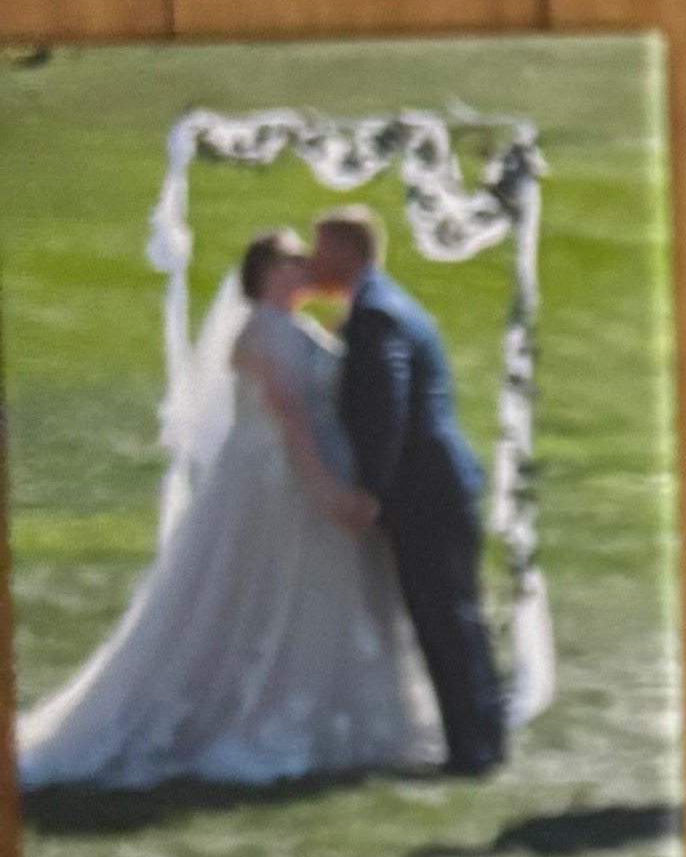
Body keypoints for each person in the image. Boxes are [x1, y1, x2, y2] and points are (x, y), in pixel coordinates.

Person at [11, 223, 437, 797]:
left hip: (301, 477)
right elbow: (290, 418)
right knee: (265, 592)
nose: (304, 266)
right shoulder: (260, 334)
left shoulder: (300, 328)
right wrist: (327, 490)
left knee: (310, 596)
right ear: (266, 274)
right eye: (290, 260)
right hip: (277, 483)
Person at [308, 204, 506, 774]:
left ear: (347, 251)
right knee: (452, 615)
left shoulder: (376, 315)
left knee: (445, 617)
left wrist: (370, 487)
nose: (314, 260)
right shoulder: (383, 304)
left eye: (322, 248)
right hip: (439, 486)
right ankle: (477, 738)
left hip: (426, 492)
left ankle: (475, 747)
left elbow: (386, 406)